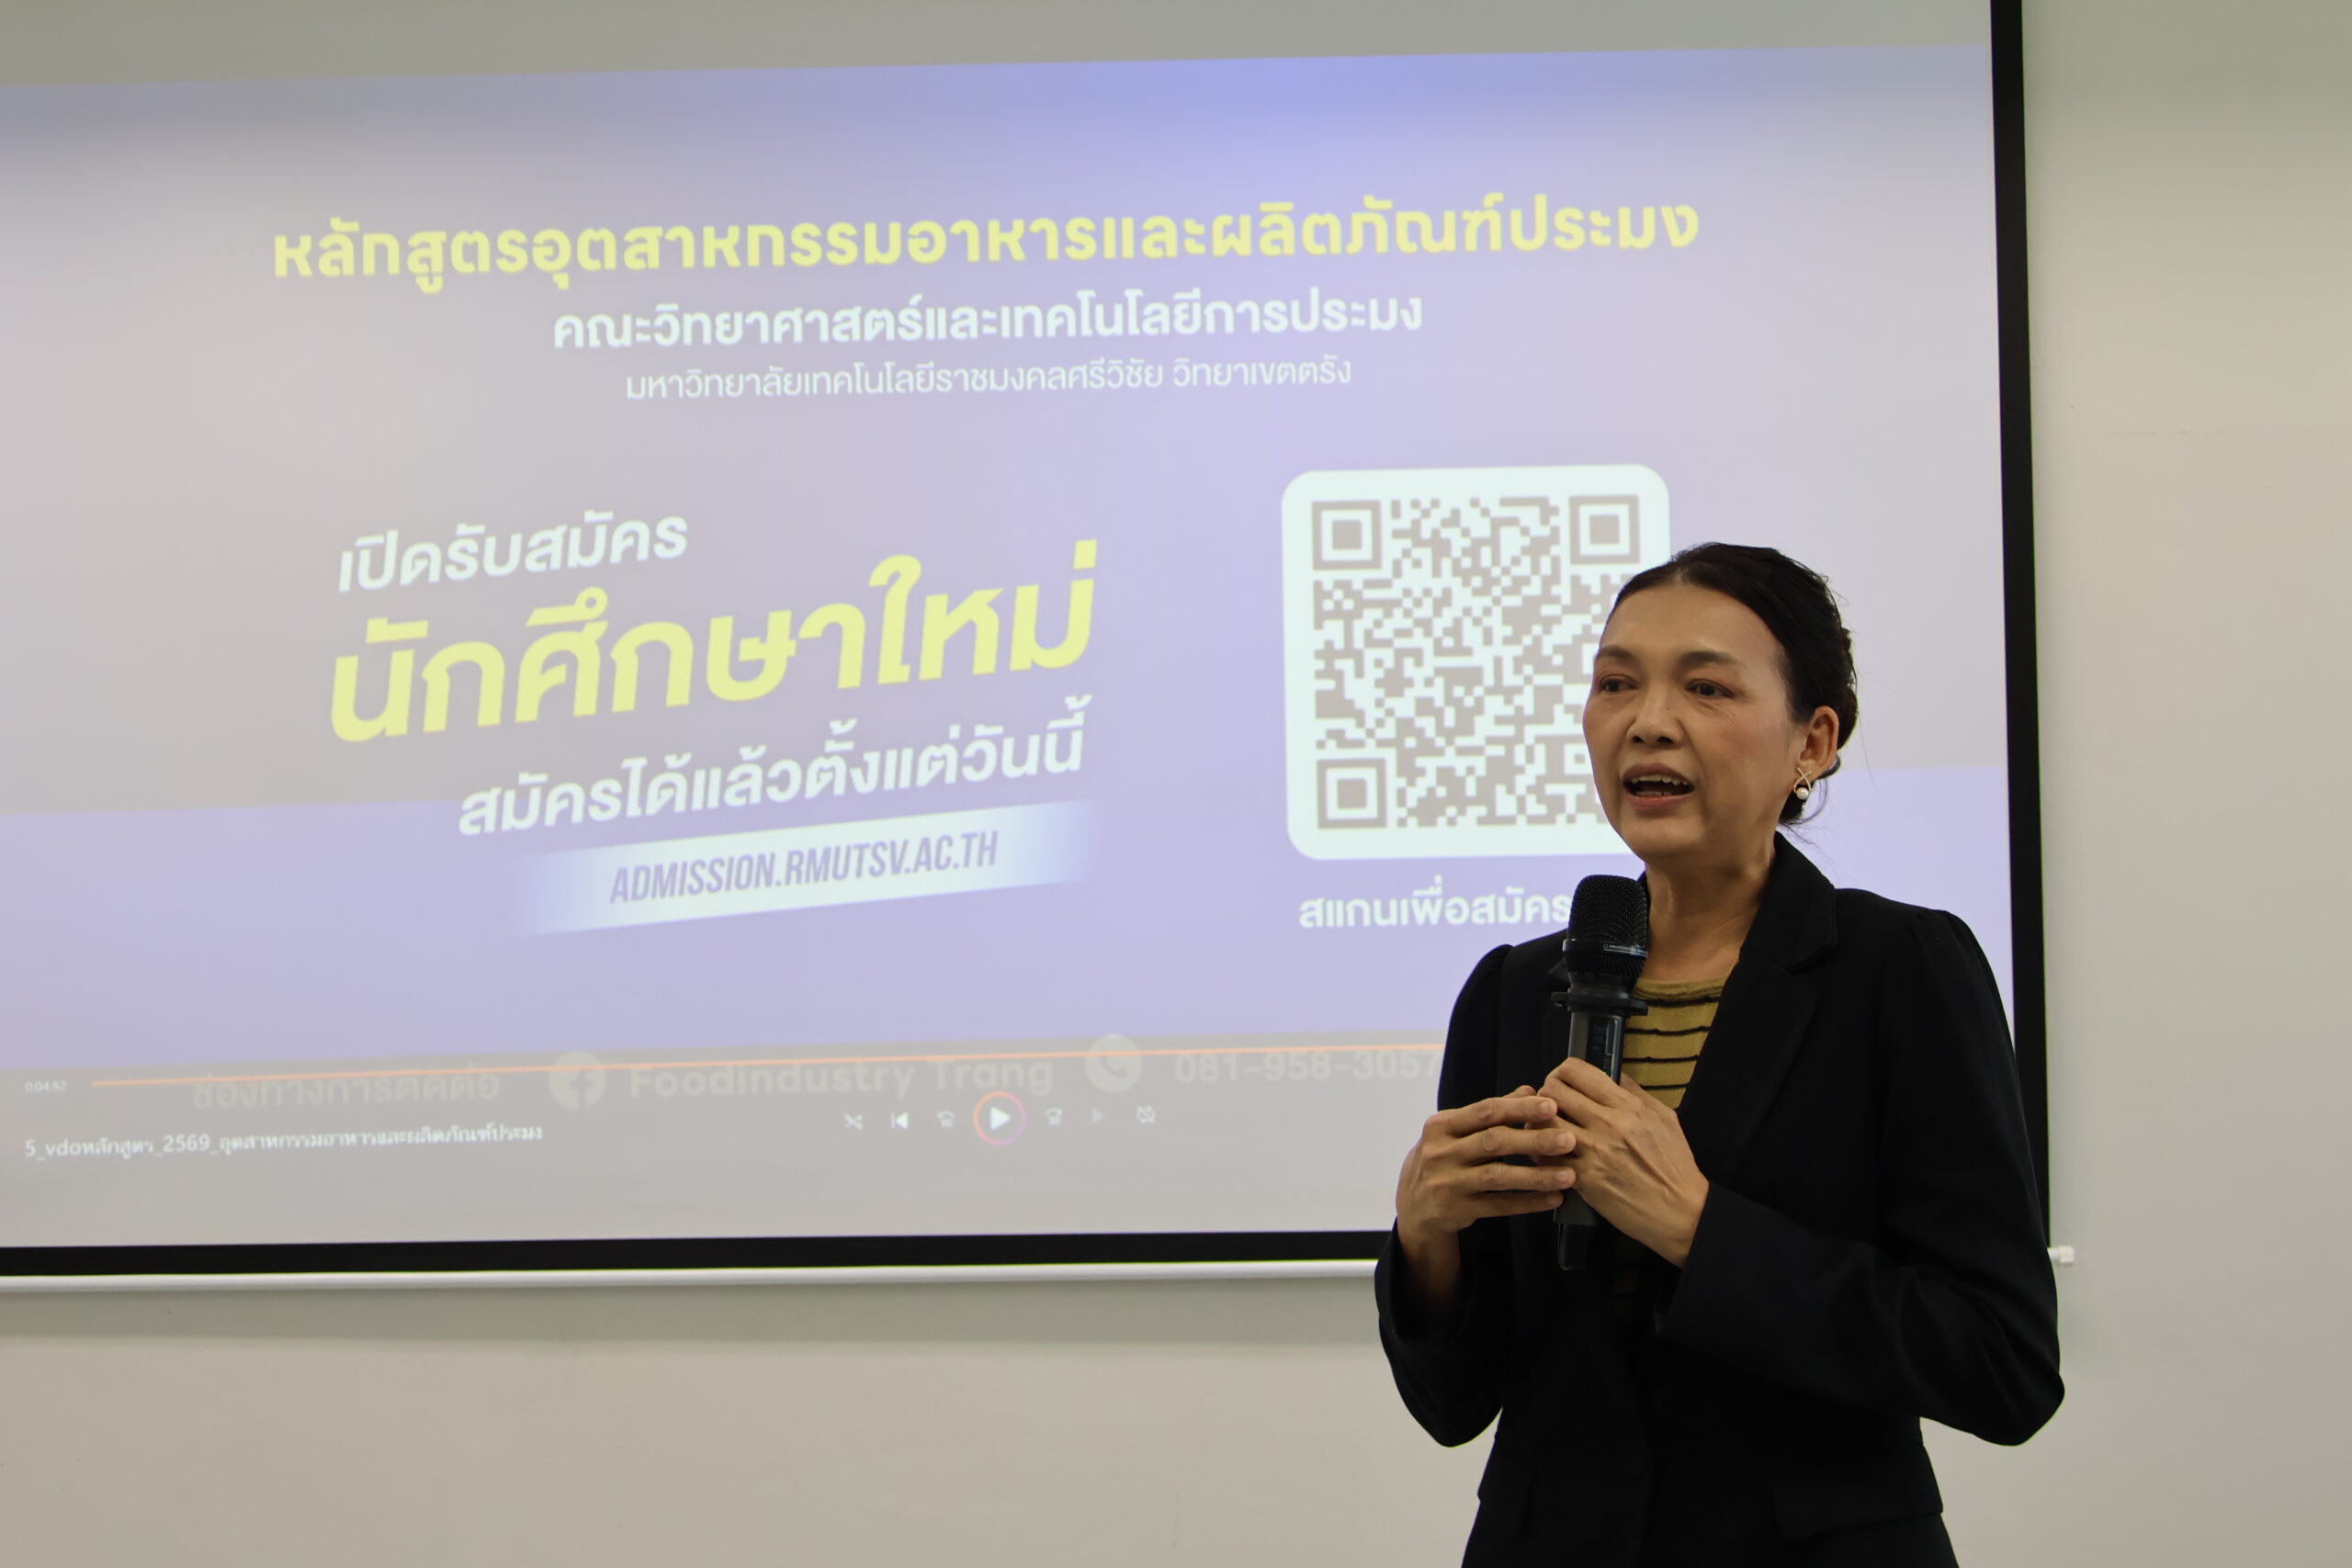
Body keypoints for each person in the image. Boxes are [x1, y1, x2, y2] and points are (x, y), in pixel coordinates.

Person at [1376, 543, 2061, 1567]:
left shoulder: (1899, 970)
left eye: (1705, 687)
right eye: (1616, 683)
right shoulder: (1516, 989)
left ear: (1812, 742)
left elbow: (2001, 1363)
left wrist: (1701, 1229)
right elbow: (1453, 1401)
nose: (1648, 720)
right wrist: (1426, 1237)